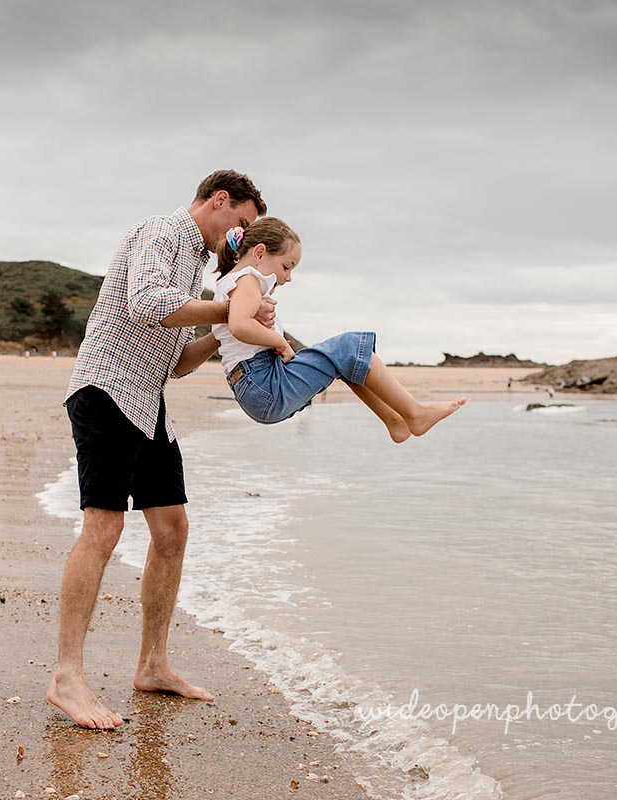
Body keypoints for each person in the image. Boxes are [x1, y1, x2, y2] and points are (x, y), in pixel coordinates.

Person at [49, 170, 276, 730]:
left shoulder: (196, 265)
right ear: (219, 201)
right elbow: (149, 302)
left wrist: (227, 331)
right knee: (103, 527)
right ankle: (67, 675)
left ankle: (152, 664)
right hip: (106, 389)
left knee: (172, 530)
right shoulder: (161, 231)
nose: (241, 239)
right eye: (242, 224)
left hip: (147, 401)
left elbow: (176, 363)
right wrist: (229, 311)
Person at [211, 218, 466, 442]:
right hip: (263, 385)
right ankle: (415, 414)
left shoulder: (236, 282)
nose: (288, 277)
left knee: (348, 361)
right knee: (349, 347)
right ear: (259, 253)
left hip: (258, 386)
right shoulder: (247, 280)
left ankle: (395, 421)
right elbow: (240, 325)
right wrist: (280, 341)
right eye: (286, 267)